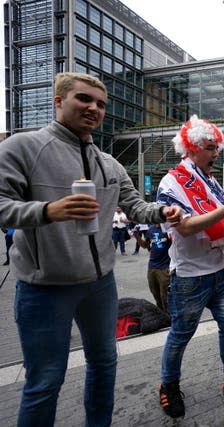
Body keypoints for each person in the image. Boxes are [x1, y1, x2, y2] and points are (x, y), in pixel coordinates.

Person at [0, 72, 182, 427]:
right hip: (44, 289)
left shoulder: (109, 163)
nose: (93, 108)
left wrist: (162, 211)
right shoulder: (21, 148)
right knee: (45, 382)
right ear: (58, 101)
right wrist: (46, 211)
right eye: (83, 99)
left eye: (100, 104)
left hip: (100, 285)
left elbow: (135, 207)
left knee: (104, 365)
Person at [156, 115, 224, 419]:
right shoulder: (171, 182)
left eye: (216, 148)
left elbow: (221, 216)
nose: (216, 153)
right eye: (210, 147)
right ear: (191, 147)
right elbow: (187, 227)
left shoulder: (209, 179)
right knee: (180, 334)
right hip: (189, 277)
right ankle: (168, 386)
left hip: (220, 271)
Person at [133, 223, 171, 312]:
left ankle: (170, 318)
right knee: (156, 294)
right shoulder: (151, 229)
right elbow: (145, 245)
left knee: (165, 297)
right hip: (152, 267)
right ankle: (162, 316)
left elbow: (176, 246)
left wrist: (173, 264)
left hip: (165, 267)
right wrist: (137, 236)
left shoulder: (168, 228)